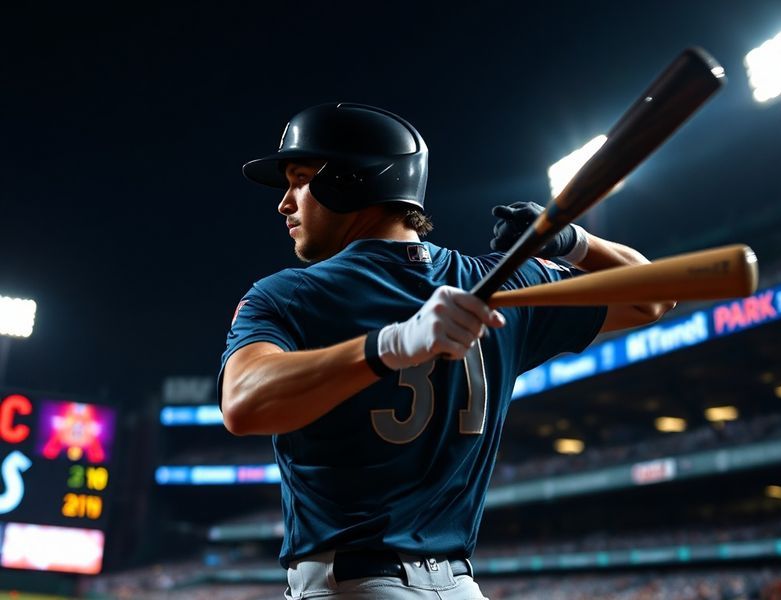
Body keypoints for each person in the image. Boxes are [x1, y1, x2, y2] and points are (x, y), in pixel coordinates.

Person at [218, 102, 674, 599]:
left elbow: (242, 402)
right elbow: (652, 296)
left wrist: (389, 347)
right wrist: (575, 243)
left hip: (349, 587)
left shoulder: (288, 294)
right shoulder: (499, 285)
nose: (285, 202)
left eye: (300, 179)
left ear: (348, 180)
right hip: (460, 588)